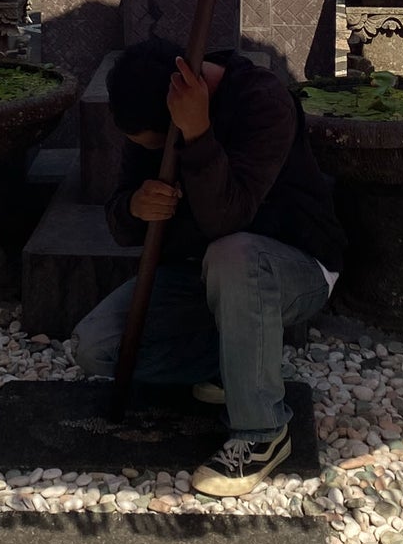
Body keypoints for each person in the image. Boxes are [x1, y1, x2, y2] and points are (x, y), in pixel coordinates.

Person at [72, 38, 346, 497]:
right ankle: (237, 363)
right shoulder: (147, 106)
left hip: (292, 265)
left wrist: (197, 134)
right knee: (95, 348)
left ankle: (262, 432)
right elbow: (121, 215)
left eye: (157, 143)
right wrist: (134, 207)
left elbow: (228, 218)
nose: (147, 150)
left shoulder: (263, 101)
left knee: (233, 253)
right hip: (196, 273)